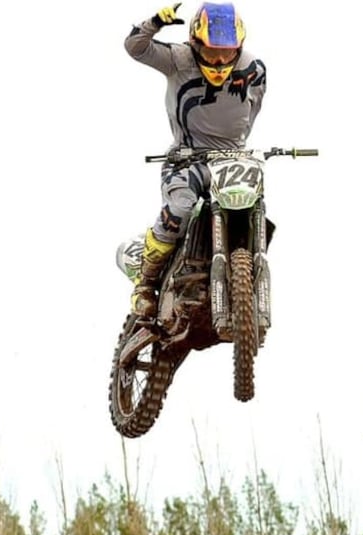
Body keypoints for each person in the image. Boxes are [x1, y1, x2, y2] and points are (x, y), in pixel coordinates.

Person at [124, 2, 267, 318]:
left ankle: (243, 273)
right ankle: (145, 285)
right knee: (180, 209)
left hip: (230, 159)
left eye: (227, 54)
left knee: (255, 203)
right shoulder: (177, 59)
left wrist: (238, 149)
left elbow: (251, 112)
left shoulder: (255, 69)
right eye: (212, 52)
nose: (219, 61)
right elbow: (135, 48)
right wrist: (154, 22)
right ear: (195, 43)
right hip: (185, 161)